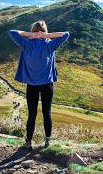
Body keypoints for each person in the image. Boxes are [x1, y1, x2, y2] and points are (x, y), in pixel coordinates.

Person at [8, 20, 70, 149]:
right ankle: (47, 142)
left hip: (31, 86)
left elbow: (12, 32)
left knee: (32, 114)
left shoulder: (26, 44)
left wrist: (31, 35)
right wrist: (46, 36)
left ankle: (28, 142)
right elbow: (66, 34)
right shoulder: (50, 45)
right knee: (46, 113)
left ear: (32, 31)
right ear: (45, 31)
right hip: (47, 85)